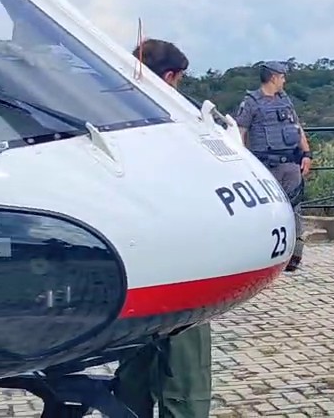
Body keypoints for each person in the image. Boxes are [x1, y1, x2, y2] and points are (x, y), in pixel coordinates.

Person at [114, 38, 213, 418]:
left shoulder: (106, 114)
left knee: (133, 369)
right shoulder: (179, 124)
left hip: (131, 266)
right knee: (186, 376)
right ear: (170, 77)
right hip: (180, 265)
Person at [235, 61, 312, 271]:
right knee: (266, 211)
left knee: (295, 208)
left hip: (290, 163)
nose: (284, 80)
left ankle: (295, 255)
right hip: (266, 166)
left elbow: (297, 128)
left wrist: (306, 154)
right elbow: (240, 132)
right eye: (282, 76)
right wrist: (243, 162)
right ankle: (265, 254)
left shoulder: (285, 100)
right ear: (273, 77)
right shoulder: (251, 103)